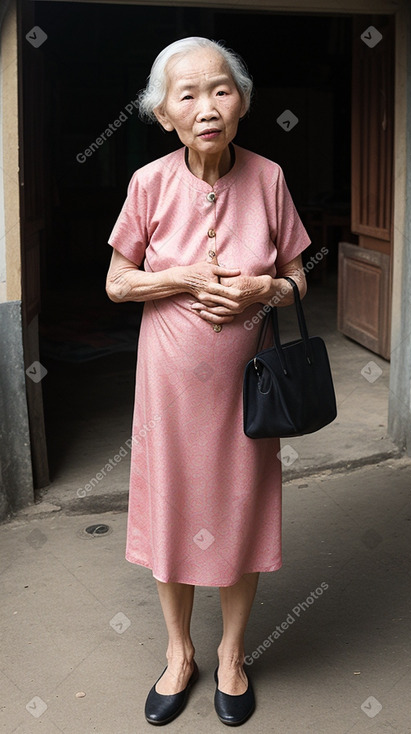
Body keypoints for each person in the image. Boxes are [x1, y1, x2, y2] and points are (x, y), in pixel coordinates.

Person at [106, 36, 310, 727]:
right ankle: (177, 654)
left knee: (239, 511)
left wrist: (265, 288)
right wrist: (183, 276)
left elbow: (299, 276)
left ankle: (229, 654)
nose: (206, 107)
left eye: (219, 89)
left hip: (245, 391)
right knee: (170, 510)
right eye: (186, 95)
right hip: (167, 387)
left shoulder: (270, 177)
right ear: (163, 114)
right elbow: (116, 283)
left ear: (241, 101)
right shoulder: (149, 184)